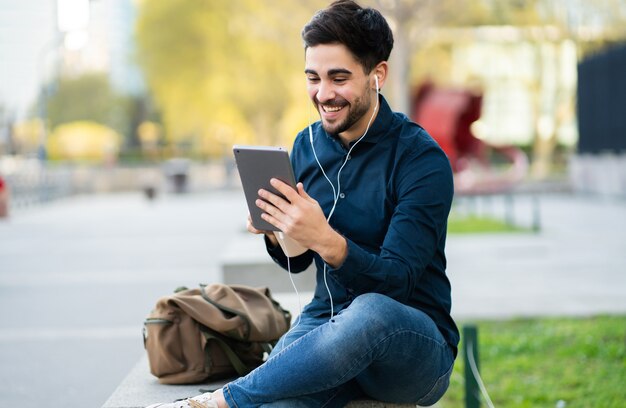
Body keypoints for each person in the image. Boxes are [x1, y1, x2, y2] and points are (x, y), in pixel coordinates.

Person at [147, 1, 458, 407]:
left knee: (370, 312)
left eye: (339, 78)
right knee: (276, 401)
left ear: (377, 75)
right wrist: (279, 232)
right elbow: (296, 264)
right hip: (324, 326)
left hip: (409, 348)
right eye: (313, 78)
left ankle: (220, 402)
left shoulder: (421, 159)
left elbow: (397, 283)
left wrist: (326, 240)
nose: (323, 94)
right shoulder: (304, 146)